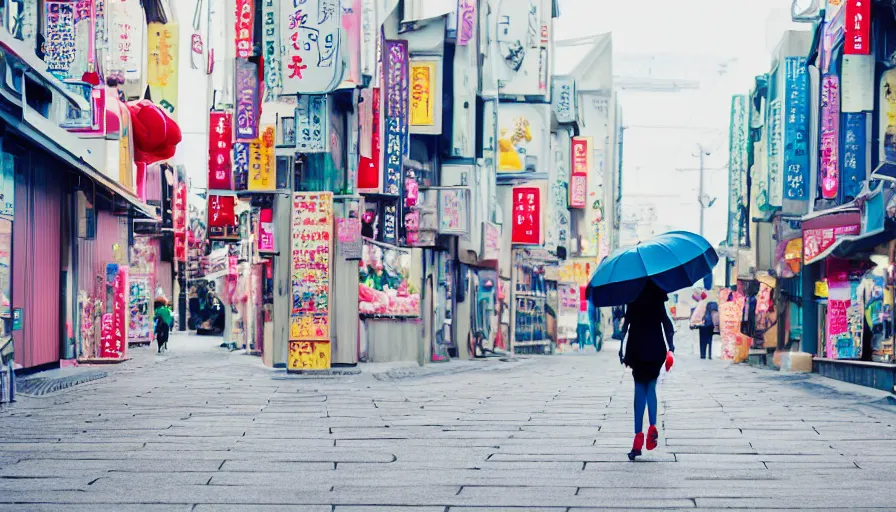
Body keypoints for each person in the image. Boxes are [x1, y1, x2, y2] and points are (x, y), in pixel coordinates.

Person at [618, 281, 675, 461]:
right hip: (656, 347)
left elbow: (625, 325)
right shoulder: (658, 293)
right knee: (651, 387)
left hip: (636, 348)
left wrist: (621, 348)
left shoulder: (632, 292)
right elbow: (666, 323)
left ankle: (637, 438)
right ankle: (652, 426)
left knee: (639, 390)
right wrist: (671, 347)